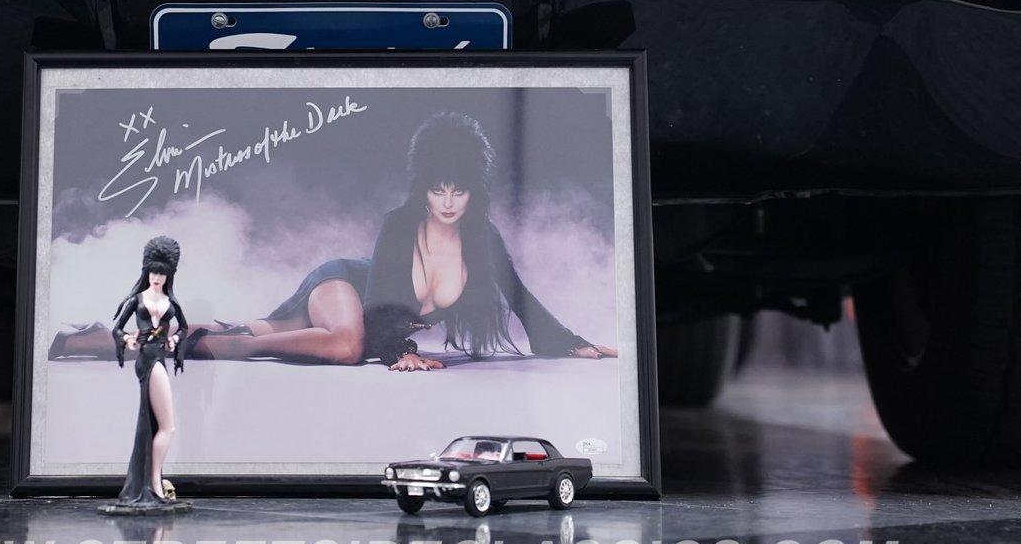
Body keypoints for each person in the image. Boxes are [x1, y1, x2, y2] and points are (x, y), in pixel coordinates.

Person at [51, 112, 616, 371]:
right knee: (345, 346)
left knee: (258, 327)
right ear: (423, 186)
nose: (447, 202)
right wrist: (397, 352)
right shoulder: (401, 223)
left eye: (459, 190)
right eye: (437, 189)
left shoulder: (483, 241)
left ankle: (100, 340)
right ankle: (216, 350)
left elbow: (521, 299)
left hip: (357, 316)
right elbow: (383, 297)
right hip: (343, 285)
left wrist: (570, 343)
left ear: (475, 191)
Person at [94, 235, 194, 514]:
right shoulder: (137, 299)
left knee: (158, 425)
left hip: (158, 356)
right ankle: (154, 486)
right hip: (148, 360)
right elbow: (117, 328)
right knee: (167, 427)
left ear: (169, 274)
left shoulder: (171, 302)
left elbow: (184, 328)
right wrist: (127, 339)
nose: (157, 278)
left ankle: (151, 485)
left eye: (162, 273)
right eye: (153, 272)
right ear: (147, 271)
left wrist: (174, 340)